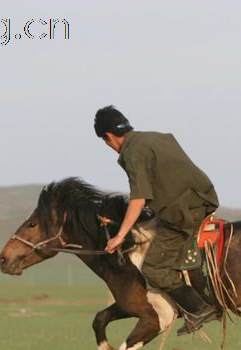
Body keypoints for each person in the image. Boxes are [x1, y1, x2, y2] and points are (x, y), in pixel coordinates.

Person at [94, 105, 220, 335]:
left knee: (153, 268)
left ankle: (199, 308)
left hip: (184, 211)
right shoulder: (156, 138)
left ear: (109, 137)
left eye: (106, 143)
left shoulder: (132, 152)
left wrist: (119, 236)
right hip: (201, 196)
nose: (109, 147)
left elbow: (139, 197)